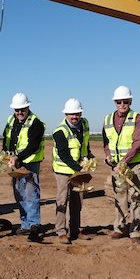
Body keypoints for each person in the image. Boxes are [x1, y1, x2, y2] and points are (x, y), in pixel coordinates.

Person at [103, 86, 140, 245]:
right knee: (119, 196)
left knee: (135, 197)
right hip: (117, 166)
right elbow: (106, 141)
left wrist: (124, 161)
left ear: (130, 101)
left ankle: (134, 230)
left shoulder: (138, 118)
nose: (122, 104)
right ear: (115, 102)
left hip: (134, 164)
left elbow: (138, 142)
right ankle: (120, 227)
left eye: (125, 101)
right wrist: (107, 154)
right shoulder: (108, 119)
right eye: (119, 101)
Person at [2, 92, 46, 243]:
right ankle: (25, 224)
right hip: (16, 163)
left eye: (23, 109)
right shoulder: (11, 120)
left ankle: (34, 224)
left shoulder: (36, 123)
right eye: (17, 110)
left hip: (30, 163)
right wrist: (7, 154)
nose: (20, 112)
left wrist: (17, 157)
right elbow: (6, 137)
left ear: (28, 107)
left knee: (31, 194)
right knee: (19, 194)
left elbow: (33, 145)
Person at [52, 99, 92, 244]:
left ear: (81, 113)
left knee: (77, 201)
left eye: (77, 114)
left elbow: (85, 143)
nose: (75, 117)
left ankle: (75, 229)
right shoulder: (60, 131)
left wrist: (89, 155)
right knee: (62, 200)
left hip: (78, 170)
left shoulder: (84, 124)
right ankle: (61, 231)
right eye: (72, 114)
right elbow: (63, 154)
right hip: (63, 171)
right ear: (66, 114)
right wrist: (79, 169)